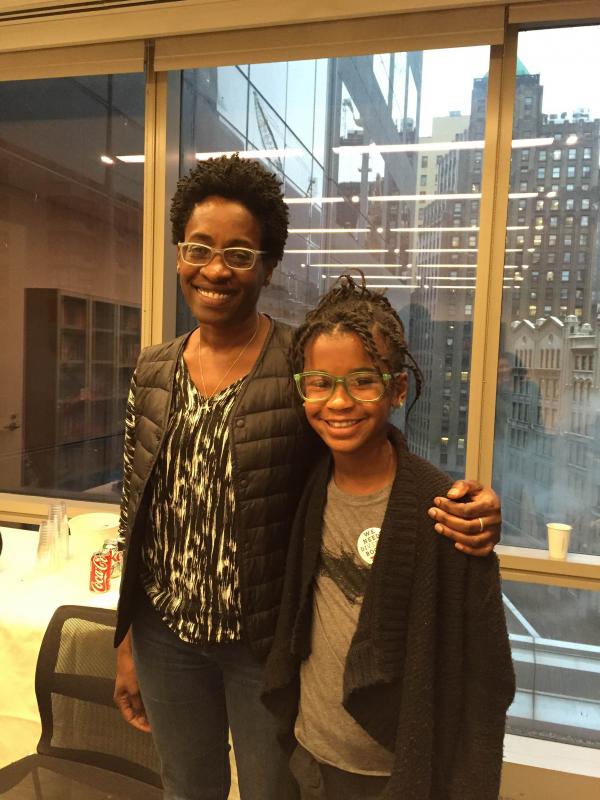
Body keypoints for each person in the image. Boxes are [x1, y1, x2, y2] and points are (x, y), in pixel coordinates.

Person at [113, 155, 503, 800]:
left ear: (267, 266)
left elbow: (364, 445)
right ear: (178, 256)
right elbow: (137, 512)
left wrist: (464, 497)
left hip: (263, 645)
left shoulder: (297, 361)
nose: (215, 269)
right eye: (199, 248)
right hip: (165, 637)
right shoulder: (153, 367)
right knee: (186, 788)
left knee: (274, 792)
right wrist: (127, 638)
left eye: (239, 253)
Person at [262, 274, 515, 800]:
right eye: (320, 382)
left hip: (395, 772)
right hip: (310, 752)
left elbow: (487, 678)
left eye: (363, 381)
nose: (338, 402)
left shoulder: (443, 509)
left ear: (397, 389)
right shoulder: (308, 483)